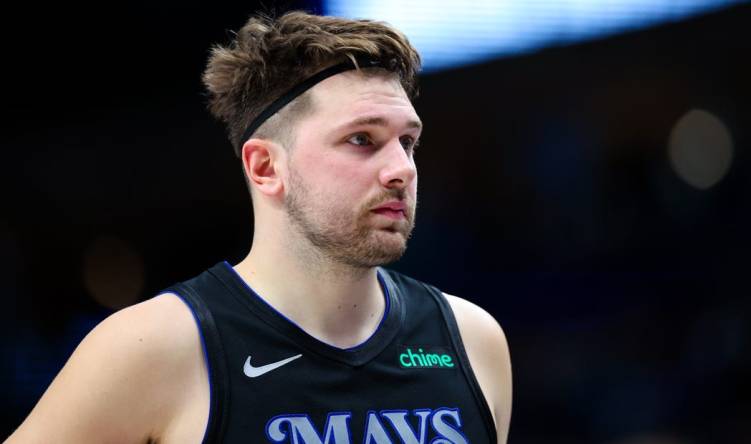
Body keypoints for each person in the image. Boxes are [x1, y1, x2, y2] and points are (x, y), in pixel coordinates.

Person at [7, 10, 512, 444]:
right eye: (362, 139)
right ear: (266, 168)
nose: (401, 168)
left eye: (408, 142)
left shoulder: (472, 339)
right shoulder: (153, 348)